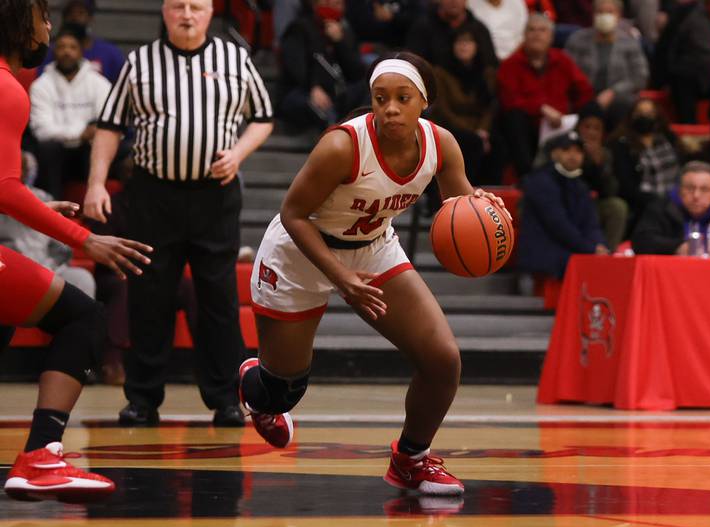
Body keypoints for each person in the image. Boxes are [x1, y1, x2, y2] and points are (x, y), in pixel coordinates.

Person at [239, 51, 508, 497]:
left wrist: (486, 211)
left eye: (403, 98)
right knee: (282, 391)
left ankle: (411, 461)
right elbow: (293, 214)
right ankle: (255, 385)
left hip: (372, 247)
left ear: (424, 102)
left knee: (442, 360)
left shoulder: (442, 144)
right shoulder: (342, 145)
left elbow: (461, 210)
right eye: (381, 98)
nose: (390, 108)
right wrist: (341, 278)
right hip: (299, 254)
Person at [83, 0, 274, 428]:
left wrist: (239, 153)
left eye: (196, 7)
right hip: (154, 195)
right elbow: (110, 126)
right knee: (149, 296)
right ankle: (143, 399)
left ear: (210, 12)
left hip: (215, 196)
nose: (187, 15)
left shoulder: (235, 58)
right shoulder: (139, 63)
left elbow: (262, 118)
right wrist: (96, 182)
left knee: (219, 300)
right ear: (165, 12)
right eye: (178, 6)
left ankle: (226, 398)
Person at [0, 0, 151, 501]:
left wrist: (41, 205)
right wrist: (87, 239)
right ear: (22, 23)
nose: (49, 27)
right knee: (83, 317)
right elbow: (6, 188)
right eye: (44, 17)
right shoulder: (8, 88)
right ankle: (43, 456)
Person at [497, 13, 594, 176]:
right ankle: (527, 177)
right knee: (514, 118)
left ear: (551, 37)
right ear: (524, 35)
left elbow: (584, 91)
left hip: (560, 126)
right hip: (527, 127)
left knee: (592, 111)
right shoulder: (510, 64)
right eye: (531, 30)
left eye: (542, 30)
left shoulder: (562, 60)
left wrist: (573, 118)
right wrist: (541, 108)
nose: (536, 35)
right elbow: (509, 101)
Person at [29, 24, 111, 199]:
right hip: (56, 154)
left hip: (87, 154)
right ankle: (53, 212)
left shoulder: (99, 83)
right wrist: (81, 133)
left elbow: (108, 125)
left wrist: (90, 135)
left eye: (72, 47)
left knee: (102, 145)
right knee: (48, 147)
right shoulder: (41, 86)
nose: (67, 52)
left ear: (81, 51)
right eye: (61, 47)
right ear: (53, 51)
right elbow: (42, 131)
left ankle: (94, 210)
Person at [516, 131, 609, 279]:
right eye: (566, 150)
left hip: (568, 251)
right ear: (554, 154)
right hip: (544, 256)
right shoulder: (540, 182)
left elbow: (591, 223)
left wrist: (599, 245)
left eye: (578, 151)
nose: (573, 155)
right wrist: (591, 249)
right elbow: (558, 225)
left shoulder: (581, 186)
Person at [631, 161, 710, 257]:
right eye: (689, 188)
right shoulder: (660, 210)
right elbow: (641, 240)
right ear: (679, 189)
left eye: (704, 189)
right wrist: (676, 246)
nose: (696, 195)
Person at [279, 0, 367, 130]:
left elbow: (356, 72)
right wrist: (313, 86)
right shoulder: (299, 28)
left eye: (337, 4)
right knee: (317, 106)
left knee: (367, 87)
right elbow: (295, 68)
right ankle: (332, 137)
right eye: (327, 3)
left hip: (338, 91)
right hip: (300, 91)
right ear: (315, 4)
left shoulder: (345, 31)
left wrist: (340, 42)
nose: (332, 8)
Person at [564, 0, 649, 127]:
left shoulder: (630, 42)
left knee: (624, 104)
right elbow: (565, 71)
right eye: (600, 12)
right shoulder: (577, 40)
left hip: (618, 99)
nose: (604, 16)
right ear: (593, 14)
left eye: (609, 12)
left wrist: (613, 92)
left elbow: (640, 76)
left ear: (619, 15)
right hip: (583, 96)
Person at [429, 27, 497, 184]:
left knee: (499, 145)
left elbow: (490, 107)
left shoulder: (486, 72)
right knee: (472, 142)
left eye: (468, 42)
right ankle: (464, 191)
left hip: (478, 128)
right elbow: (443, 109)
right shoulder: (441, 72)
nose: (464, 46)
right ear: (452, 46)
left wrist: (483, 130)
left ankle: (490, 195)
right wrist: (474, 132)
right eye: (459, 42)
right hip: (449, 126)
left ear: (477, 46)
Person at [609, 97, 681, 230]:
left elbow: (682, 171)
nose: (644, 117)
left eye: (649, 113)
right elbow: (626, 186)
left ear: (657, 116)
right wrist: (655, 201)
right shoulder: (621, 145)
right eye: (639, 113)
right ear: (631, 116)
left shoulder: (669, 139)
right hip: (641, 206)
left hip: (675, 199)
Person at [575, 102, 628, 251]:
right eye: (587, 127)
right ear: (578, 127)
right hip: (566, 203)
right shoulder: (565, 147)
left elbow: (610, 191)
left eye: (596, 128)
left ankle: (607, 255)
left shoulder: (606, 154)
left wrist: (598, 165)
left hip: (592, 205)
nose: (591, 132)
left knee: (617, 206)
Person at [40, 0, 126, 83]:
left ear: (90, 17)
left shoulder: (111, 54)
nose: (75, 17)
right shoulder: (50, 52)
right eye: (70, 13)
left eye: (81, 13)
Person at [405, 0, 498, 68]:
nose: (454, 1)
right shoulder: (423, 27)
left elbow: (490, 65)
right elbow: (414, 65)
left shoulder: (479, 29)